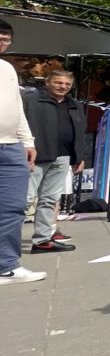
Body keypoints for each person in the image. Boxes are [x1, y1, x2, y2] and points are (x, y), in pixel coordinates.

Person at [0, 19, 45, 285]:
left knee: (13, 208)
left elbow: (16, 108)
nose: (2, 43)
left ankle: (6, 265)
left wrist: (27, 140)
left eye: (7, 39)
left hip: (11, 146)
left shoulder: (7, 68)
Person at [22, 69, 86, 254]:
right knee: (23, 200)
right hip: (36, 157)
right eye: (58, 83)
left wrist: (78, 157)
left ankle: (42, 240)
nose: (63, 87)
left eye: (67, 84)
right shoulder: (31, 101)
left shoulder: (74, 104)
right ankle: (5, 242)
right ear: (47, 82)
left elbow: (79, 132)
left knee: (49, 200)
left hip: (63, 157)